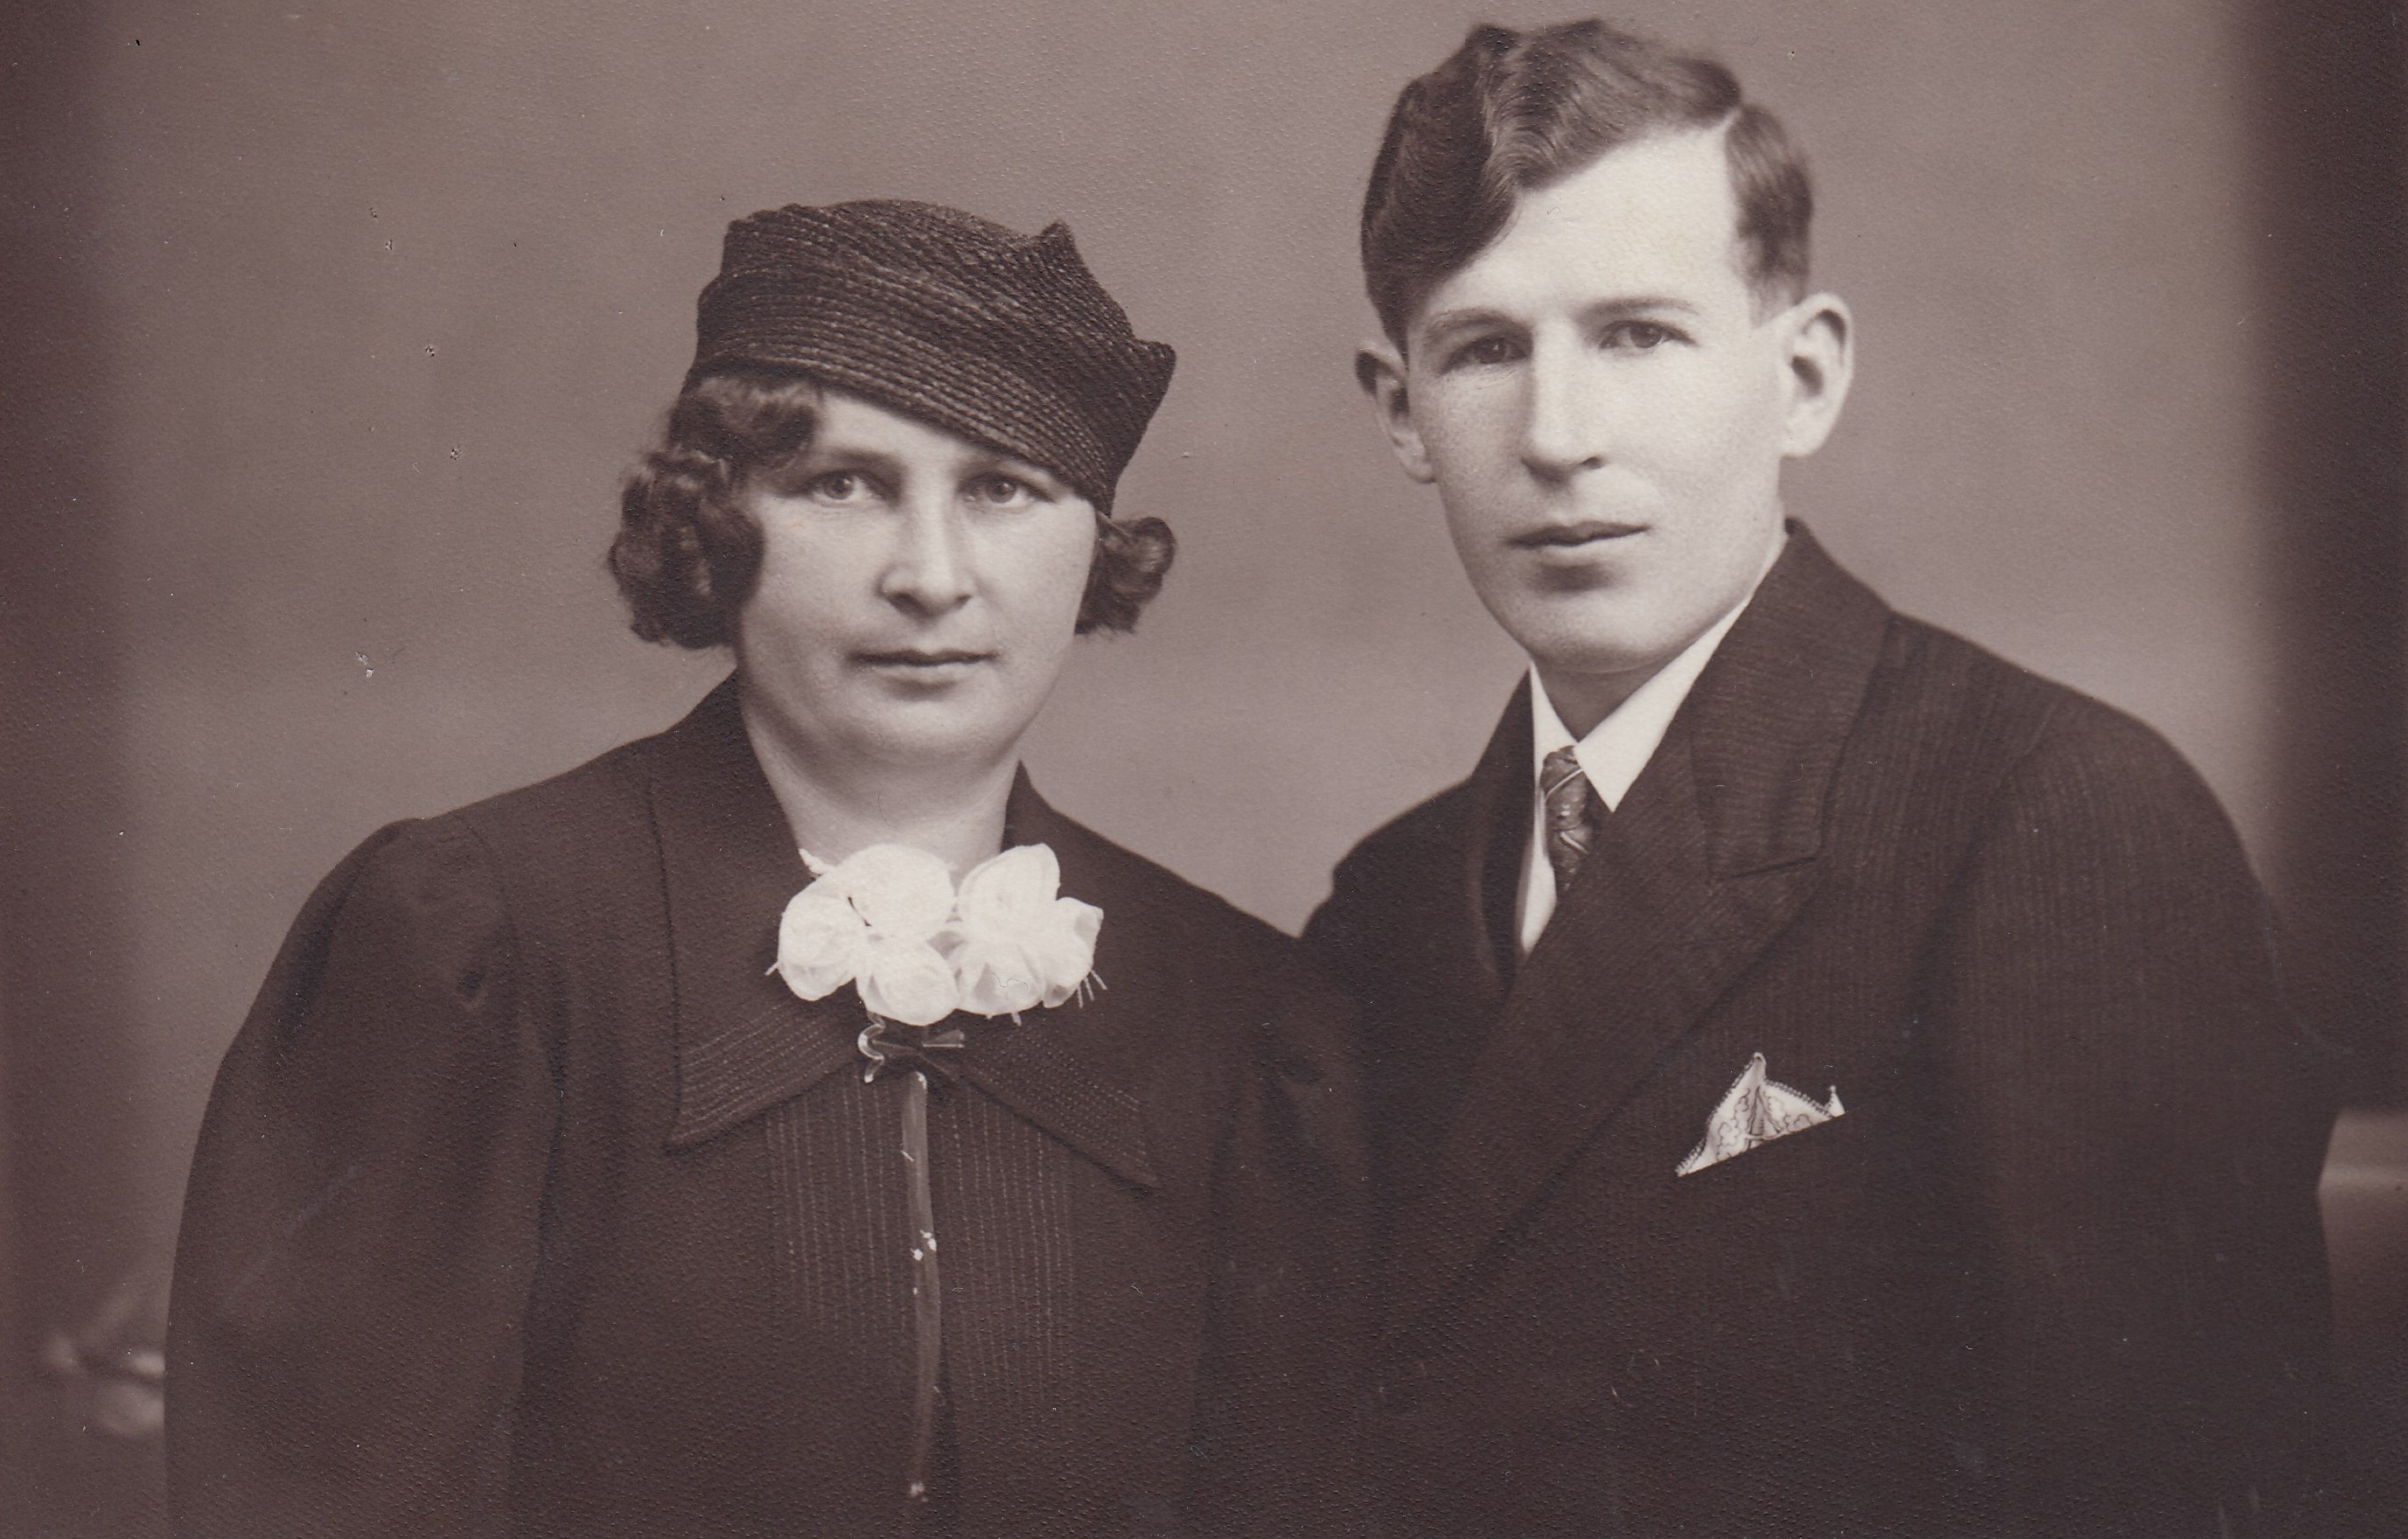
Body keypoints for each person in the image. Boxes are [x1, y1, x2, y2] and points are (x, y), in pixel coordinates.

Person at [167, 200, 1365, 1538]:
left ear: (1094, 540)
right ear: (713, 520)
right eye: (842, 485)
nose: (930, 577)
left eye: (1001, 489)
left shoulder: (1239, 1016)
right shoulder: (482, 940)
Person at [1304, 20, 2337, 1537]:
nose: (1558, 437)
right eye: (1484, 351)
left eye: (1637, 335)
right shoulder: (1388, 903)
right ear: (1401, 411)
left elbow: (2177, 1487)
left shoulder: (2056, 821)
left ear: (1802, 377)